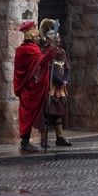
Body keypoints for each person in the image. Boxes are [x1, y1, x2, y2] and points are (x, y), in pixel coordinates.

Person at [13, 20, 56, 153]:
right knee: (27, 115)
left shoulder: (24, 49)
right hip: (29, 89)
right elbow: (41, 61)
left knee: (29, 115)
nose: (38, 37)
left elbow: (39, 61)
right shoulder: (28, 49)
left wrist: (49, 49)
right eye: (36, 35)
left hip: (28, 88)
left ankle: (25, 142)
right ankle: (25, 143)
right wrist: (51, 50)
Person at [39, 18, 72, 147]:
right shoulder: (45, 52)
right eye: (55, 38)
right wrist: (57, 80)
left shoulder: (62, 52)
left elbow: (67, 68)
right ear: (49, 39)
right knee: (47, 113)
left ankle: (60, 137)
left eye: (58, 38)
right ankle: (43, 139)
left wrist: (65, 79)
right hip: (50, 86)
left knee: (58, 113)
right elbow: (47, 69)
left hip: (61, 87)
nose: (58, 40)